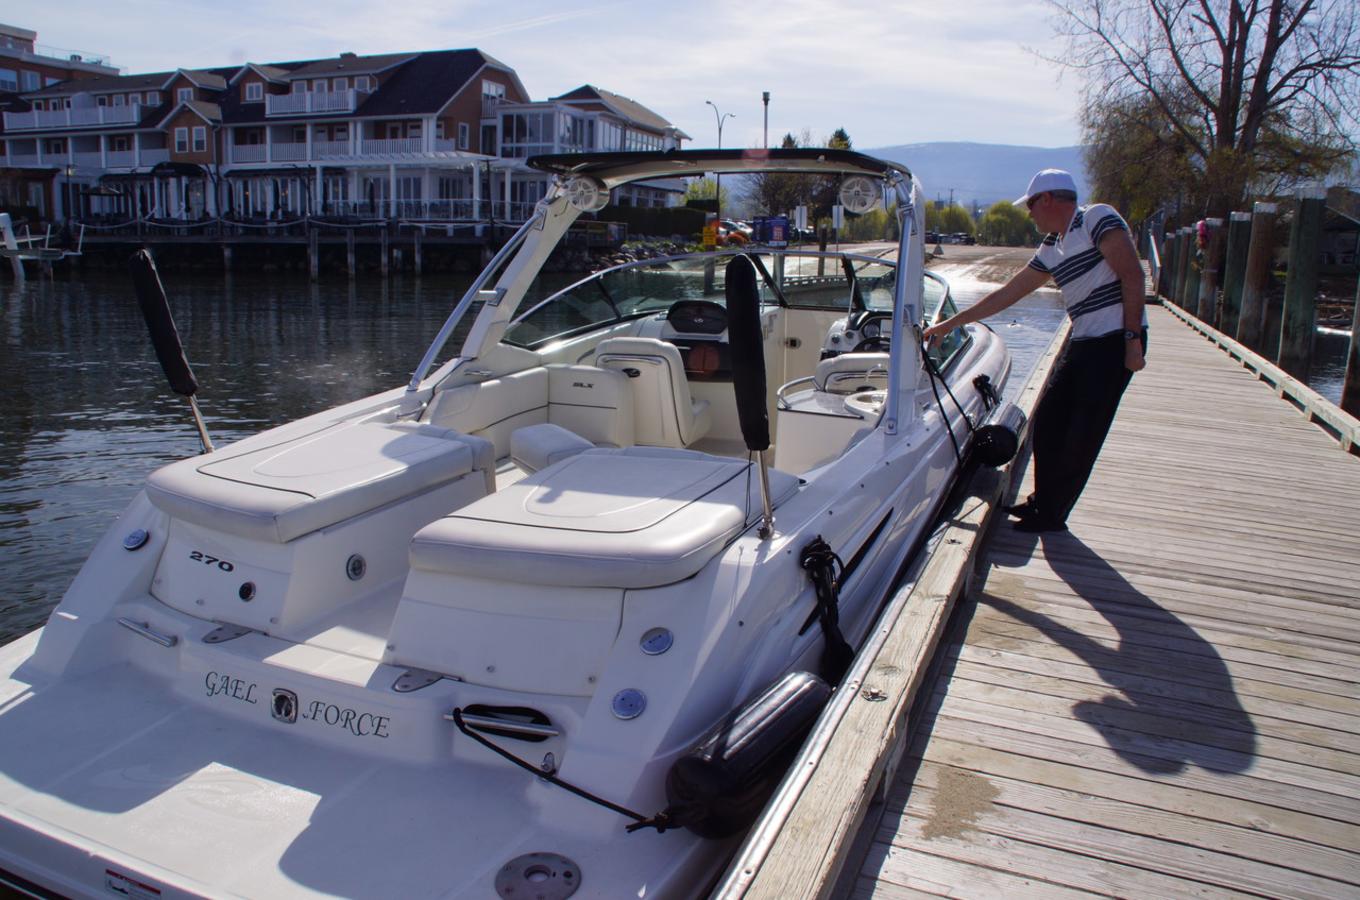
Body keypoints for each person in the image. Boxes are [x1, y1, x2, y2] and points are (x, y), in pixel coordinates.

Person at [922, 169, 1147, 533]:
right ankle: (1043, 501)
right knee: (1048, 423)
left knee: (1082, 432)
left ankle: (1053, 515)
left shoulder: (1096, 218)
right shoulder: (1052, 245)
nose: (1029, 214)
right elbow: (1009, 293)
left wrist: (1132, 340)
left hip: (1112, 341)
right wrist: (950, 323)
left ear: (1047, 199)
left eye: (1030, 205)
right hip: (1085, 340)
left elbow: (1132, 275)